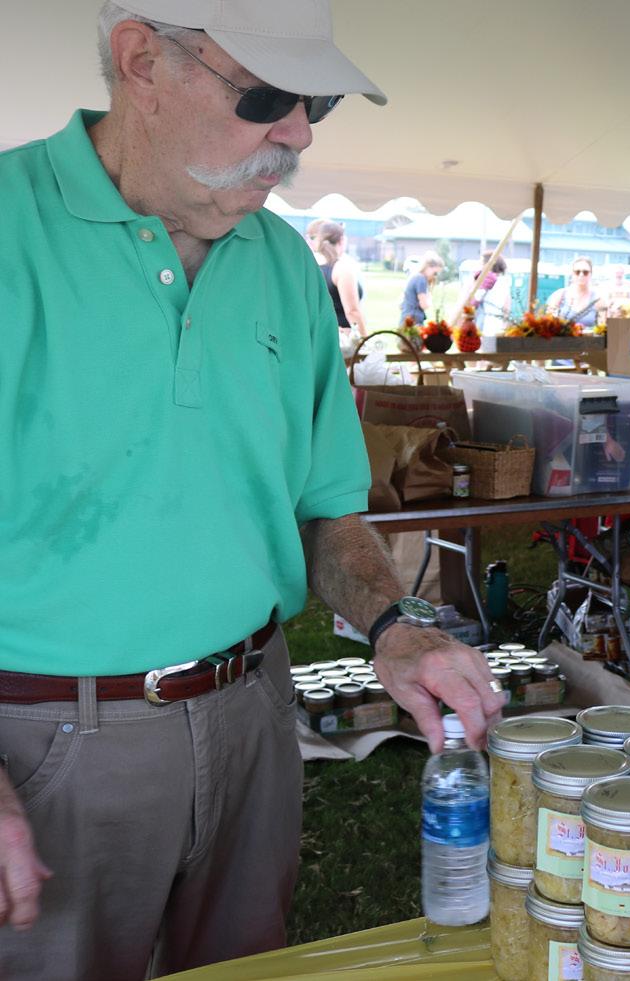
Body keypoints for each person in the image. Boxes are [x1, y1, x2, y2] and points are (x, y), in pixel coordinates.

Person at [0, 4, 504, 976]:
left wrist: (393, 624)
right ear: (141, 60)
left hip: (252, 716)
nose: (300, 133)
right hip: (40, 739)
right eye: (267, 96)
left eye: (318, 102)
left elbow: (324, 510)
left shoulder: (282, 263)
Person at [316, 222, 366, 337]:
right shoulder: (342, 269)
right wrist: (365, 340)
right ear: (342, 240)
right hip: (342, 338)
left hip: (318, 336)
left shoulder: (311, 266)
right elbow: (352, 311)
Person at [545, 255, 600, 328]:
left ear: (591, 274)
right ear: (572, 274)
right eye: (577, 272)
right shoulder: (559, 295)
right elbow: (547, 323)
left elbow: (605, 328)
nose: (581, 275)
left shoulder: (598, 299)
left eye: (585, 272)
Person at [401, 251, 443, 325]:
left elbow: (401, 305)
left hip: (407, 320)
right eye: (435, 273)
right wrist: (429, 298)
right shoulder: (421, 280)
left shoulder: (415, 277)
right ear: (428, 267)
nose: (435, 277)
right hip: (413, 322)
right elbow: (424, 305)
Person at [474, 252, 509, 330]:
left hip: (485, 322)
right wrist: (505, 323)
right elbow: (506, 306)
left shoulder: (488, 280)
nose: (480, 267)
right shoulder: (504, 281)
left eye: (481, 263)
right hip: (498, 322)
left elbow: (476, 299)